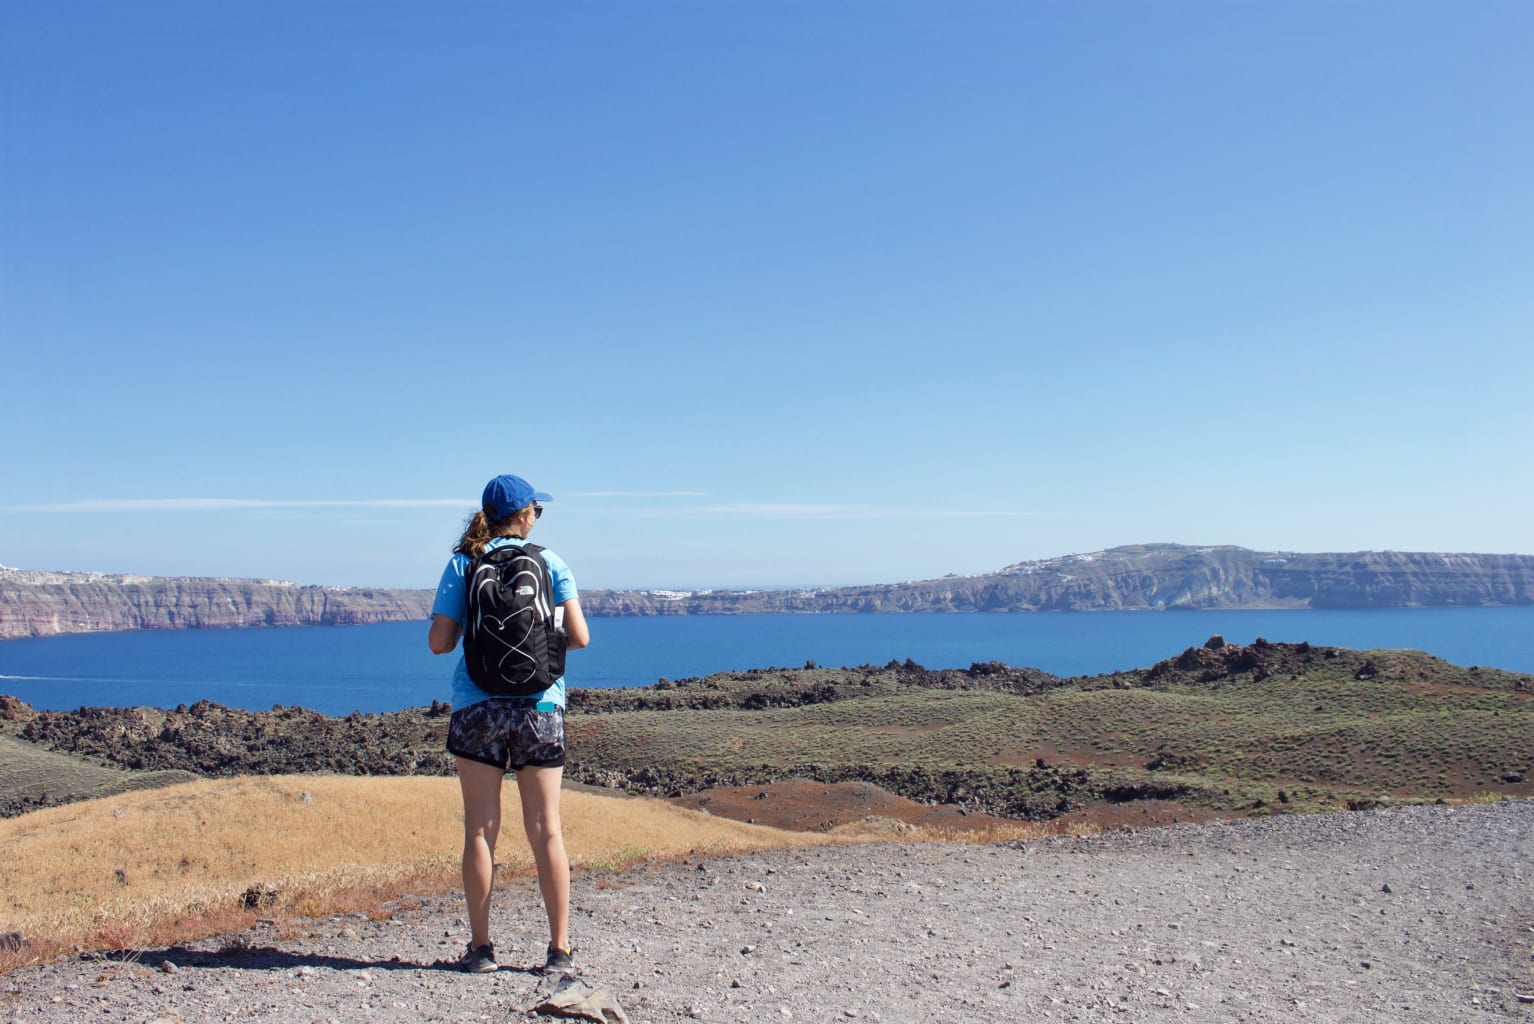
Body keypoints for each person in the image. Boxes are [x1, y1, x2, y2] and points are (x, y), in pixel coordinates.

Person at [428, 473, 590, 974]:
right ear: (525, 515)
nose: (538, 516)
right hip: (540, 709)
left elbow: (439, 643)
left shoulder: (463, 563)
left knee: (479, 830)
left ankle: (480, 950)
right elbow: (580, 638)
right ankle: (558, 951)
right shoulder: (551, 562)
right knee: (546, 831)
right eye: (537, 510)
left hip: (477, 708)